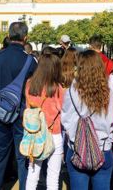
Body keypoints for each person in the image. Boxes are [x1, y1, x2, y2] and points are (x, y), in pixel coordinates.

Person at [0, 22, 38, 190]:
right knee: (23, 156)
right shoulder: (30, 61)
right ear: (25, 38)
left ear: (8, 37)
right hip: (22, 116)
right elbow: (34, 91)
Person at [61, 50, 113, 190]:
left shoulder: (72, 90)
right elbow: (111, 119)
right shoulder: (108, 88)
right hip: (103, 147)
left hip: (77, 148)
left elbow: (66, 120)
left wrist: (73, 137)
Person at [25, 54, 65, 190]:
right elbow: (63, 110)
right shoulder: (57, 88)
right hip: (53, 133)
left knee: (32, 173)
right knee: (53, 177)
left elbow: (28, 107)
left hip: (34, 133)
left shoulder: (30, 84)